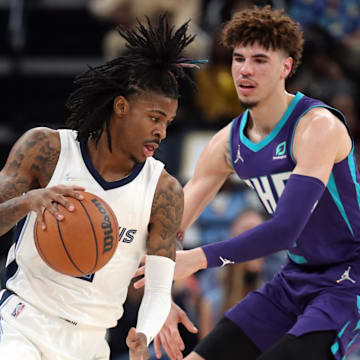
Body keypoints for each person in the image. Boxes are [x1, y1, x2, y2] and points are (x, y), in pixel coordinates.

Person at [134, 5, 360, 360]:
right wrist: (159, 296)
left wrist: (197, 258)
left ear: (286, 67)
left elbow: (284, 229)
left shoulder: (317, 126)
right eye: (239, 59)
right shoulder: (226, 143)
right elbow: (171, 228)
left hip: (350, 277)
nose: (245, 70)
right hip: (296, 277)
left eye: (259, 60)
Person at [0, 14, 200, 360]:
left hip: (92, 343)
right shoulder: (46, 150)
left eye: (168, 122)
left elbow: (156, 287)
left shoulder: (164, 190)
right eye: (154, 118)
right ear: (121, 107)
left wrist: (144, 333)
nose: (162, 132)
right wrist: (28, 202)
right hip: (22, 324)